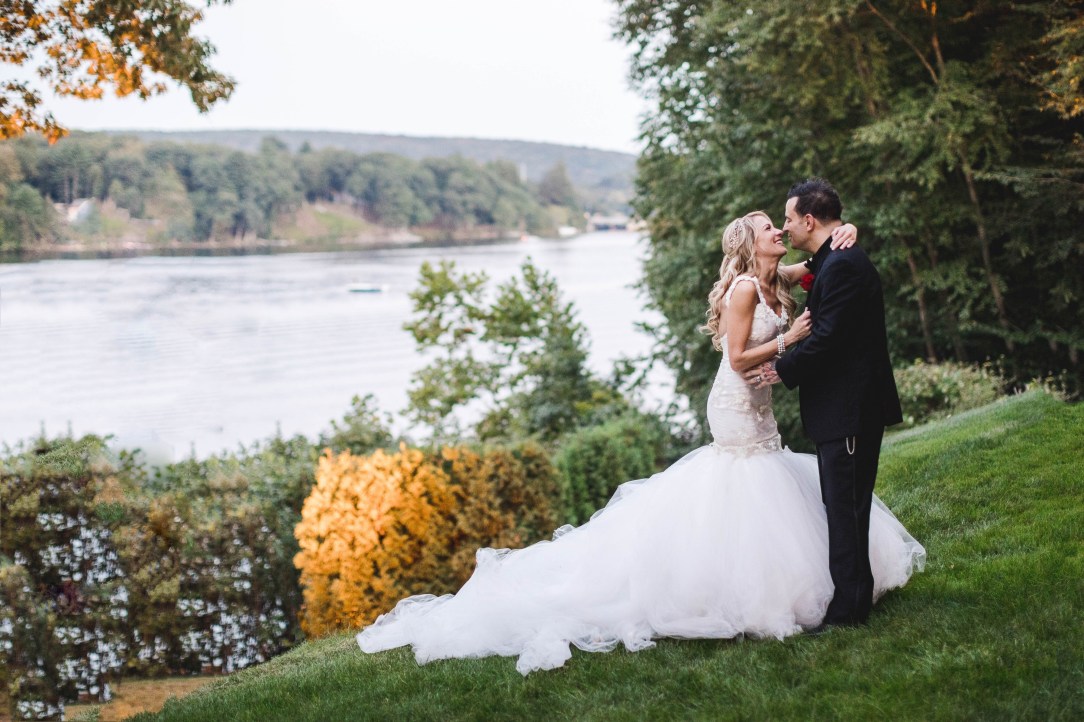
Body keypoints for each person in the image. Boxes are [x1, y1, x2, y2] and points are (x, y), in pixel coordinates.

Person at [357, 209, 925, 675]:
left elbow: (826, 257)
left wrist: (848, 232)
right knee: (744, 482)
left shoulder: (780, 278)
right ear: (749, 243)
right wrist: (790, 340)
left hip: (761, 401)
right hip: (734, 402)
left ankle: (809, 585)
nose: (777, 228)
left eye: (780, 224)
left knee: (768, 479)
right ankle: (730, 590)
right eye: (765, 226)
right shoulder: (745, 289)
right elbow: (734, 358)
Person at [754, 178, 905, 629]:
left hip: (850, 410)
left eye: (787, 218)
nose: (784, 227)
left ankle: (849, 609)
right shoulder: (832, 260)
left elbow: (829, 338)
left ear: (809, 220)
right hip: (845, 409)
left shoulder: (840, 265)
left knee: (846, 510)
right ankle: (853, 598)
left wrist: (783, 368)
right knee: (843, 507)